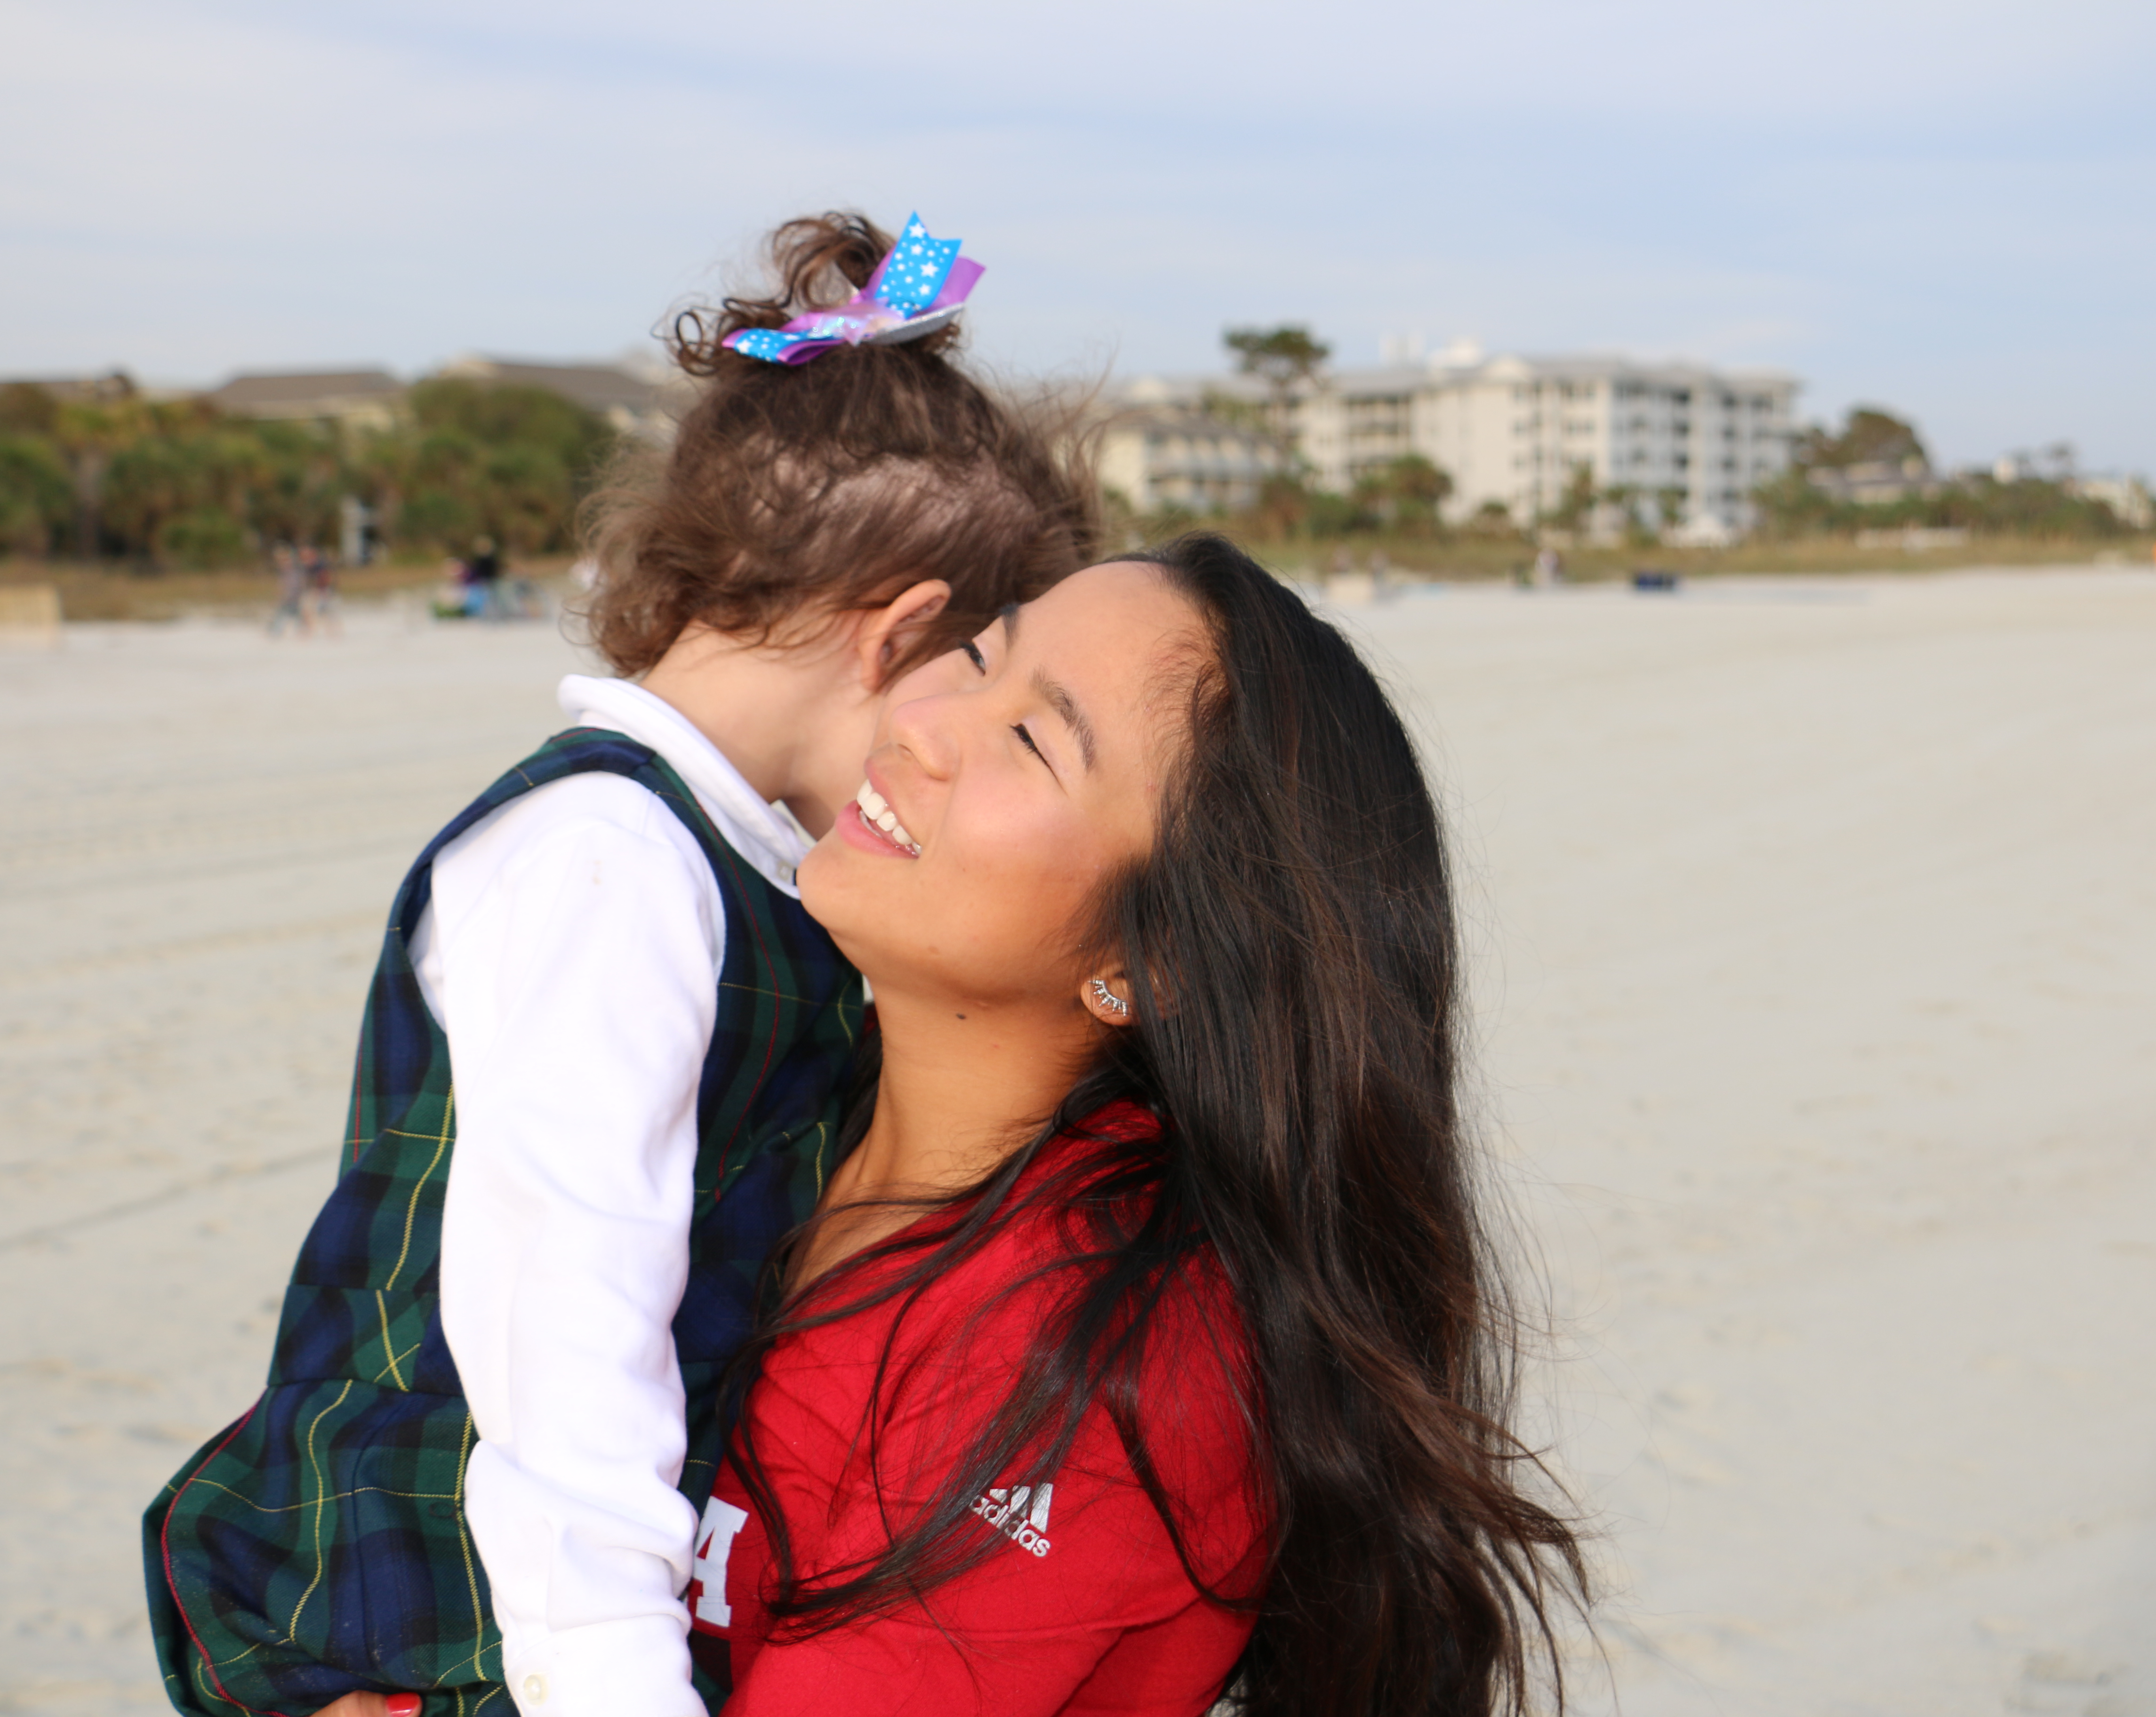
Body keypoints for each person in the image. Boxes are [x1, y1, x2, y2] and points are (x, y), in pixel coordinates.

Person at [316, 535, 1588, 1717]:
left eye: (1032, 739)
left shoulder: (1118, 1374)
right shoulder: (760, 1100)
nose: (919, 721)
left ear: (1153, 962)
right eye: (979, 654)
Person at [143, 210, 1101, 1717]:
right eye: (968, 685)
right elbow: (569, 1308)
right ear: (897, 637)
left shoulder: (707, 853)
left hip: (538, 1588)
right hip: (454, 1605)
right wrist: (613, 1682)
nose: (942, 756)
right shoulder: (613, 857)